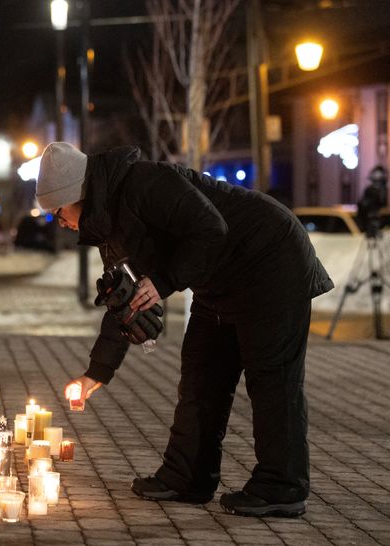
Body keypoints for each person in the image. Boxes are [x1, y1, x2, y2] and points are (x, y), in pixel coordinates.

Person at [35, 142, 334, 517]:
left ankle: (281, 486)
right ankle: (186, 477)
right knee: (200, 375)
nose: (59, 221)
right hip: (218, 279)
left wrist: (162, 281)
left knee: (271, 377)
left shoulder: (145, 183)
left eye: (58, 211)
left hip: (270, 260)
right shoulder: (109, 224)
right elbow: (124, 298)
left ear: (76, 194)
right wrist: (96, 373)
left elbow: (211, 228)